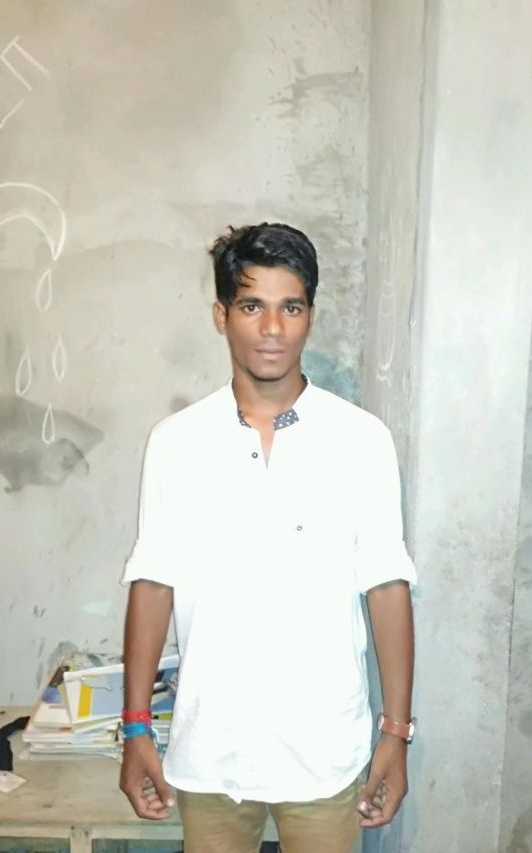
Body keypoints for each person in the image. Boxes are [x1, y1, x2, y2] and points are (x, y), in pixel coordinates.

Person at [119, 222, 417, 853]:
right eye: (253, 306)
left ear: (310, 316)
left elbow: (387, 587)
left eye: (292, 307)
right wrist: (136, 727)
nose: (274, 328)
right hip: (211, 752)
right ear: (221, 316)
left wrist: (395, 733)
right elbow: (153, 582)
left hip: (324, 754)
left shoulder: (361, 440)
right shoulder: (176, 443)